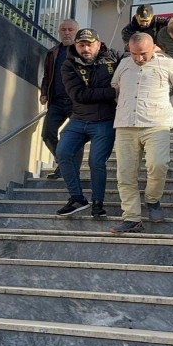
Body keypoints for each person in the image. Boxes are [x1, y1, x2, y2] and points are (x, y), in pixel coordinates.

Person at [109, 33, 173, 233]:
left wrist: (169, 106)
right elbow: (116, 88)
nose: (138, 58)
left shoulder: (166, 63)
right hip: (125, 125)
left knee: (158, 164)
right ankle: (132, 218)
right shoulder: (124, 64)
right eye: (134, 53)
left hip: (156, 124)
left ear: (154, 47)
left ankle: (153, 199)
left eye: (143, 54)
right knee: (125, 174)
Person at [55, 28, 125, 217]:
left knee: (96, 161)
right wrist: (112, 92)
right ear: (76, 46)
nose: (85, 48)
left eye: (89, 44)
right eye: (81, 44)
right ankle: (77, 198)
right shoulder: (68, 64)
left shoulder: (115, 57)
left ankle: (98, 203)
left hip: (105, 121)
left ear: (99, 43)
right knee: (62, 152)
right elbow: (79, 95)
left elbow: (136, 55)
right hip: (78, 119)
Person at [39, 18, 82, 180]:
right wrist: (44, 92)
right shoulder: (53, 52)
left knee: (74, 136)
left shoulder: (82, 52)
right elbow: (47, 76)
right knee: (47, 133)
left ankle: (73, 171)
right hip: (56, 101)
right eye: (63, 30)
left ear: (76, 32)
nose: (67, 33)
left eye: (70, 30)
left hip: (76, 102)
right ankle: (64, 164)